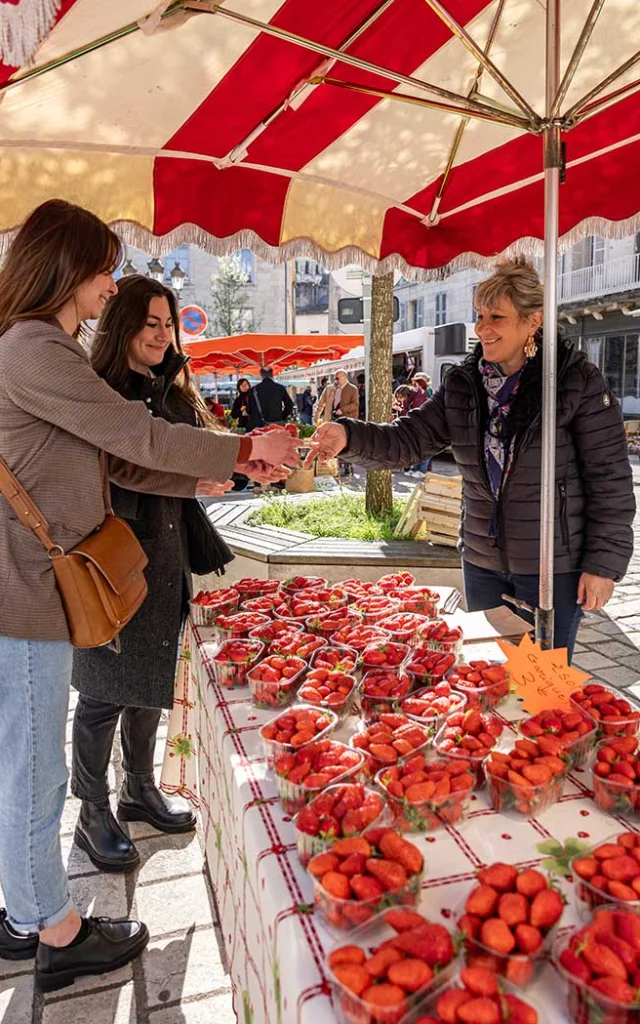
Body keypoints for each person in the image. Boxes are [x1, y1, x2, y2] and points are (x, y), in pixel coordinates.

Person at [0, 199, 299, 991]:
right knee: (35, 770)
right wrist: (244, 444)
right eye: (102, 268)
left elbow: (116, 460)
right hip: (24, 589)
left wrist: (219, 469)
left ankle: (26, 909)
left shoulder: (36, 348)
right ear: (67, 266)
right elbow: (132, 434)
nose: (108, 285)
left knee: (24, 760)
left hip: (28, 583)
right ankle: (54, 934)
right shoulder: (35, 349)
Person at [305, 256, 634, 660]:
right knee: (490, 673)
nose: (482, 328)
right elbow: (408, 440)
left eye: (497, 316)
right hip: (481, 561)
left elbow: (610, 480)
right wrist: (348, 435)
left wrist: (602, 565)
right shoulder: (464, 384)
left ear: (533, 321)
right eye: (479, 315)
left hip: (553, 564)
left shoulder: (574, 381)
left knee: (544, 685)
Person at [70, 275, 232, 873]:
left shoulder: (169, 387)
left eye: (168, 325)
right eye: (150, 324)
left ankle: (139, 788)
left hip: (163, 553)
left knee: (150, 675)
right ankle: (91, 810)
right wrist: (191, 477)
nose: (162, 336)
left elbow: (191, 453)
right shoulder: (101, 392)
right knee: (101, 690)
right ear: (124, 328)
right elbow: (119, 471)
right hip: (113, 559)